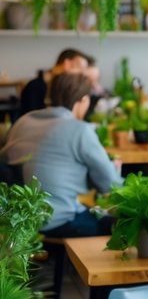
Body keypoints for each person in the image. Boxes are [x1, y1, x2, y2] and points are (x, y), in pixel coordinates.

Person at [0, 73, 121, 237]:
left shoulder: (23, 121)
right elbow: (110, 185)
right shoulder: (80, 129)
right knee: (118, 223)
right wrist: (114, 169)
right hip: (57, 222)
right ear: (84, 101)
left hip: (17, 220)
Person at [17, 48, 89, 119]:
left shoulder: (64, 90)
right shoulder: (34, 87)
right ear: (67, 64)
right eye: (80, 68)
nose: (83, 74)